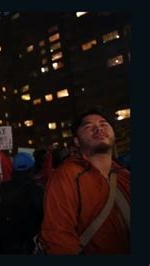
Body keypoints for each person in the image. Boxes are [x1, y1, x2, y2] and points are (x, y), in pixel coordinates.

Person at [40, 108, 130, 254]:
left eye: (104, 124)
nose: (98, 128)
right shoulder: (67, 175)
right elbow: (58, 235)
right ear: (76, 140)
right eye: (88, 127)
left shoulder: (124, 175)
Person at [0, 152, 44, 254]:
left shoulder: (2, 188)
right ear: (31, 169)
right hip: (29, 243)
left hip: (7, 242)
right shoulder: (37, 190)